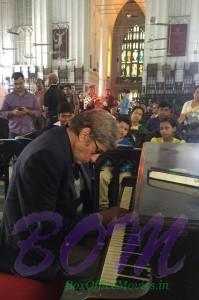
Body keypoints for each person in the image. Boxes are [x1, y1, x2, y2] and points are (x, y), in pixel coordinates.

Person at [0, 109, 127, 282]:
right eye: (97, 150)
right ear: (85, 134)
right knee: (105, 269)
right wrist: (99, 219)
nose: (95, 159)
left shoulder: (67, 143)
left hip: (58, 235)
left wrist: (93, 232)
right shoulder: (45, 157)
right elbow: (43, 228)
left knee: (110, 254)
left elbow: (70, 209)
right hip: (31, 250)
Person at [99, 115, 133, 209]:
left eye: (125, 129)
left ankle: (123, 207)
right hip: (108, 166)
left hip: (123, 168)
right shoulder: (106, 140)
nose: (122, 130)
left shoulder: (128, 143)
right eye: (121, 127)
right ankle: (103, 205)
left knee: (126, 179)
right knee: (102, 177)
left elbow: (129, 159)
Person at [0, 72, 41, 138]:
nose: (18, 86)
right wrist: (12, 112)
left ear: (24, 81)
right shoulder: (8, 97)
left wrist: (28, 111)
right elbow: (1, 113)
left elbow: (39, 113)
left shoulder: (32, 97)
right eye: (15, 84)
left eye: (20, 83)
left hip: (29, 132)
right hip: (13, 132)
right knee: (12, 148)